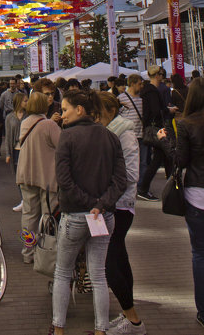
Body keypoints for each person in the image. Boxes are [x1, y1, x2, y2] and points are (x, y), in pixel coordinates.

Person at [52, 89, 127, 335]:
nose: (62, 115)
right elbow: (120, 180)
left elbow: (64, 180)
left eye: (64, 109)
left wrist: (89, 203)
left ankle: (59, 329)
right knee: (98, 276)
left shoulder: (67, 137)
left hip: (75, 215)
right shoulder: (110, 136)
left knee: (63, 273)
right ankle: (101, 330)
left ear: (79, 109)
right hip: (103, 216)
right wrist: (101, 204)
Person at [97, 93, 145, 335]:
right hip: (115, 203)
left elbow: (130, 174)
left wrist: (106, 193)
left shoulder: (122, 133)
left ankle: (134, 321)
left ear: (109, 111)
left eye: (97, 112)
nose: (94, 117)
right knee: (120, 259)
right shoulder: (109, 131)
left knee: (110, 262)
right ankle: (128, 314)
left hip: (120, 205)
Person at [158, 77, 204, 329]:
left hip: (197, 194)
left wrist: (165, 140)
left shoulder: (186, 123)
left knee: (200, 253)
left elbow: (180, 161)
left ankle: (203, 311)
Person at [16, 92, 60, 264]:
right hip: (46, 177)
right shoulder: (49, 124)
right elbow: (62, 145)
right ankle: (47, 251)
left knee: (29, 215)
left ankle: (28, 252)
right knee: (48, 215)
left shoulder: (25, 122)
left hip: (26, 175)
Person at [138, 65, 172, 201]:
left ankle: (172, 188)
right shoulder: (152, 91)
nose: (162, 76)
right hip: (156, 129)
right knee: (162, 157)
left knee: (162, 158)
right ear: (157, 75)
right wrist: (168, 110)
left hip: (153, 128)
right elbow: (156, 110)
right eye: (161, 74)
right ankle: (144, 188)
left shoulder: (148, 90)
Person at [118, 75, 145, 185]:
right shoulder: (121, 99)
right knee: (128, 162)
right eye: (139, 84)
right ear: (132, 84)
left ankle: (140, 186)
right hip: (127, 136)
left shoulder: (142, 98)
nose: (141, 86)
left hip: (141, 134)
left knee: (142, 162)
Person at [5, 92, 29, 211]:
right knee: (18, 176)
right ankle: (23, 200)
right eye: (25, 100)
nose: (27, 102)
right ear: (19, 102)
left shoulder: (28, 115)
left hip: (27, 149)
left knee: (27, 175)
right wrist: (8, 153)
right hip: (16, 150)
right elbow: (8, 135)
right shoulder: (10, 117)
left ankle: (27, 200)